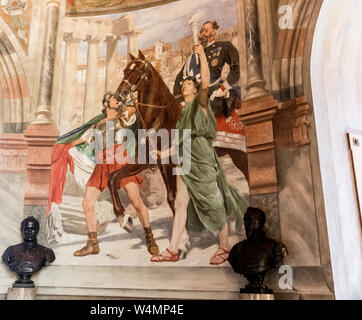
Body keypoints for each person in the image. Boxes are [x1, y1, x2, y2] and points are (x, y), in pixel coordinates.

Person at [150, 43, 248, 265]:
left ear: (194, 89)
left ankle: (224, 246)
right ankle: (172, 249)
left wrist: (202, 55)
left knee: (212, 201)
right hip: (184, 159)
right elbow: (180, 141)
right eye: (183, 83)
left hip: (202, 158)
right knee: (180, 204)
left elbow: (205, 80)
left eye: (188, 83)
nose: (184, 85)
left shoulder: (201, 104)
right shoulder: (183, 113)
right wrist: (163, 153)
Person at [68, 92, 159, 257]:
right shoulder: (98, 125)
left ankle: (150, 237)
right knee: (87, 204)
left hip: (119, 159)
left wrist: (135, 96)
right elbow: (83, 139)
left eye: (118, 99)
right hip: (102, 164)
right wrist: (62, 147)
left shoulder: (122, 117)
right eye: (113, 98)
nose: (117, 100)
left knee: (137, 202)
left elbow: (135, 107)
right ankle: (92, 244)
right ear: (105, 103)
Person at [173, 20, 248, 180]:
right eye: (201, 31)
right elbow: (179, 79)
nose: (203, 33)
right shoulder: (191, 57)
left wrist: (224, 87)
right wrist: (180, 100)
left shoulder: (224, 46)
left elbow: (236, 68)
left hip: (214, 89)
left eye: (206, 30)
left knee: (212, 101)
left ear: (214, 32)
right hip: (194, 93)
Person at [2, 216, 55, 287]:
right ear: (21, 230)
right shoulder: (10, 251)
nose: (29, 232)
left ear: (37, 230)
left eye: (32, 229)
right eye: (26, 229)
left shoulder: (47, 252)